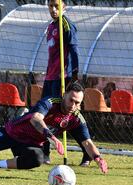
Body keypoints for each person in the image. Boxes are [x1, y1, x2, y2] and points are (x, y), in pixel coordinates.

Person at [41, 0, 92, 166]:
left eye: (57, 6)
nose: (54, 10)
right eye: (51, 6)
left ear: (64, 7)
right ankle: (44, 152)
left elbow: (74, 50)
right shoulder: (51, 26)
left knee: (67, 116)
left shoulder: (66, 25)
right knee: (46, 114)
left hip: (62, 77)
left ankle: (87, 152)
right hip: (50, 77)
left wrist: (74, 75)